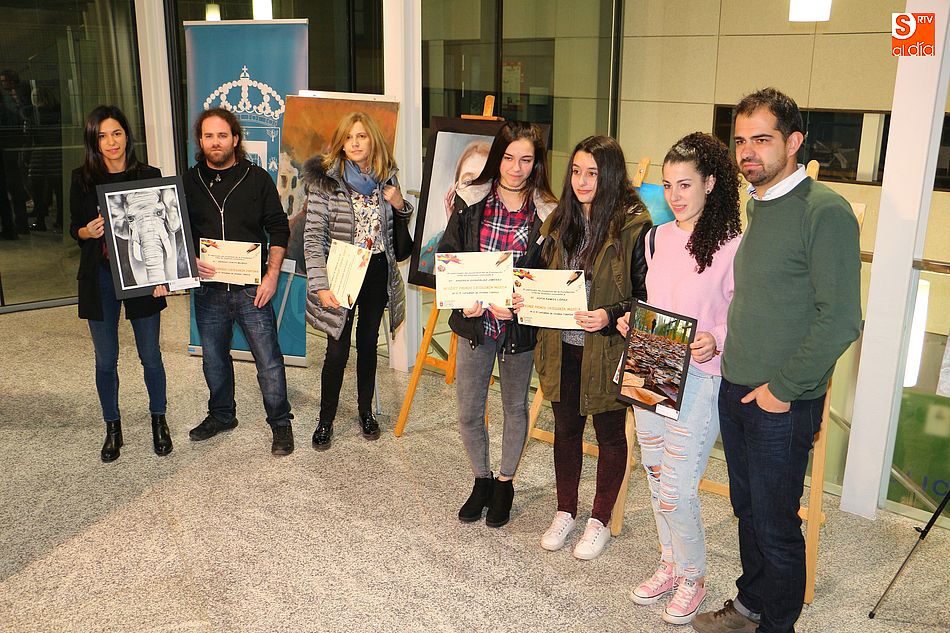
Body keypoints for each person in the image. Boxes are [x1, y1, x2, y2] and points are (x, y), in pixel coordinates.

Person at [692, 88, 861, 633]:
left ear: (793, 142)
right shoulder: (756, 203)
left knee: (776, 523)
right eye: (740, 140)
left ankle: (777, 624)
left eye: (761, 140)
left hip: (780, 401)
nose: (747, 152)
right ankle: (751, 604)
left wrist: (782, 389)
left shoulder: (825, 212)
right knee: (747, 512)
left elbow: (839, 320)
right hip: (736, 386)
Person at [616, 132, 741, 625]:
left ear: (711, 183)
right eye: (667, 185)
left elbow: (742, 317)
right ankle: (669, 563)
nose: (675, 195)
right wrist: (633, 321)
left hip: (701, 377)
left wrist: (719, 338)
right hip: (650, 364)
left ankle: (694, 575)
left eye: (685, 184)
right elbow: (656, 301)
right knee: (652, 476)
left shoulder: (734, 246)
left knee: (676, 489)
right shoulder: (656, 238)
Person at [532, 135, 650, 559]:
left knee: (609, 436)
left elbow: (644, 295)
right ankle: (566, 511)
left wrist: (608, 314)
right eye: (577, 172)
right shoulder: (558, 223)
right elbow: (538, 278)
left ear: (611, 175)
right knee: (565, 432)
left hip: (607, 349)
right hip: (560, 345)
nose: (582, 182)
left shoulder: (635, 227)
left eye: (593, 174)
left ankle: (599, 519)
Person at [437, 121, 557, 527]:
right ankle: (481, 479)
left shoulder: (549, 213)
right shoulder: (470, 200)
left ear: (537, 163)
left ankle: (505, 482)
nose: (516, 168)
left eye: (526, 159)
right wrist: (462, 299)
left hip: (518, 331)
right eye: (508, 158)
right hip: (475, 325)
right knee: (469, 411)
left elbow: (550, 273)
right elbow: (449, 256)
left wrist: (526, 302)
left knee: (514, 408)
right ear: (497, 157)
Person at [184, 107, 294, 456]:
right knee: (213, 359)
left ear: (235, 138)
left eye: (222, 135)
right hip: (208, 290)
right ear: (200, 141)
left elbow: (278, 227)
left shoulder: (257, 178)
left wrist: (272, 275)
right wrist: (190, 259)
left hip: (252, 289)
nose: (215, 142)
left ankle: (280, 423)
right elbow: (176, 231)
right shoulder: (188, 182)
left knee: (269, 361)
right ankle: (221, 415)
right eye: (208, 136)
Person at [302, 112, 413, 449]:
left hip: (377, 269)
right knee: (337, 350)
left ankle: (366, 412)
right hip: (342, 271)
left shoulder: (386, 177)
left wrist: (400, 205)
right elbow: (312, 237)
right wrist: (320, 284)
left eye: (361, 136)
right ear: (341, 142)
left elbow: (396, 232)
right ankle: (325, 420)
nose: (355, 143)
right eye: (349, 137)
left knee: (367, 346)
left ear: (372, 140)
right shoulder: (326, 181)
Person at [69, 105, 171, 462]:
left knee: (150, 355)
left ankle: (159, 421)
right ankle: (113, 426)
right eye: (102, 136)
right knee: (105, 359)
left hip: (142, 274)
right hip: (99, 276)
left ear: (127, 135)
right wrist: (87, 230)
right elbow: (74, 231)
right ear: (93, 142)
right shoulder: (81, 179)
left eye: (116, 133)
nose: (111, 142)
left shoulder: (149, 174)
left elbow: (165, 230)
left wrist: (165, 276)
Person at [417, 139, 491, 274]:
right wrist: (453, 225)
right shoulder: (435, 244)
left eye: (484, 182)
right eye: (468, 182)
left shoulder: (494, 240)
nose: (475, 190)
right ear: (455, 187)